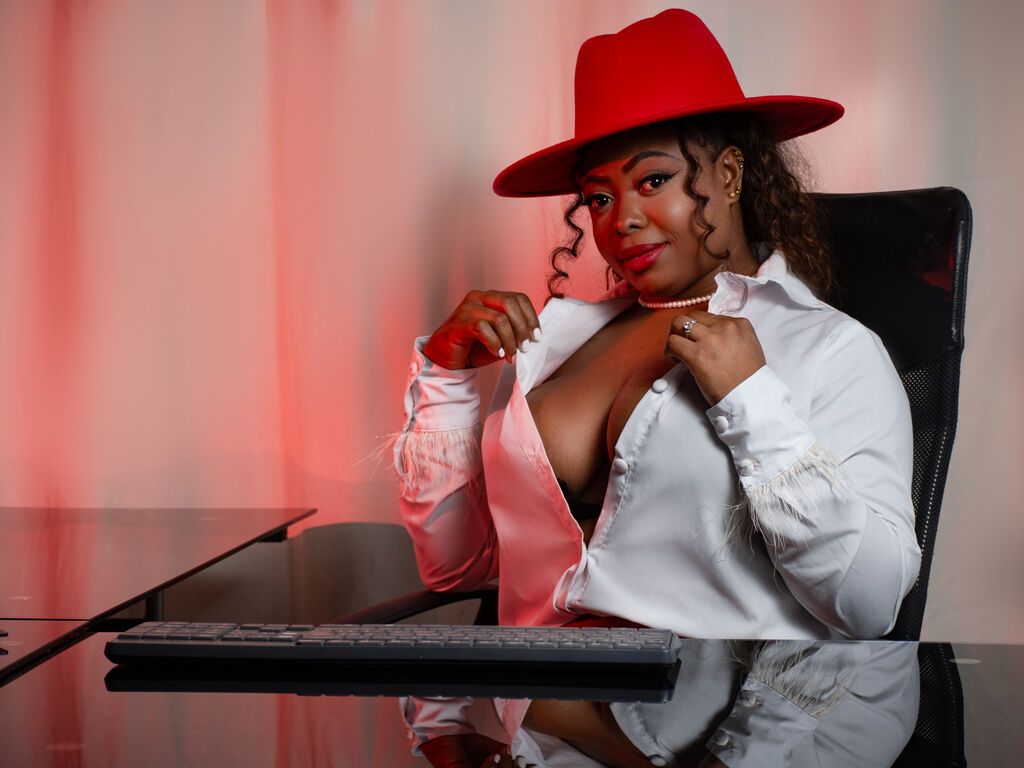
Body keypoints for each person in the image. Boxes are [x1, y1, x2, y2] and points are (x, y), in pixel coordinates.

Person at [394, 10, 920, 767]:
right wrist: (447, 379)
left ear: (729, 174)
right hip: (532, 729)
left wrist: (753, 404)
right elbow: (458, 567)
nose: (624, 222)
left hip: (716, 733)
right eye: (600, 198)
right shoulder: (559, 345)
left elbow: (868, 605)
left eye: (653, 181)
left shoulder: (827, 350)